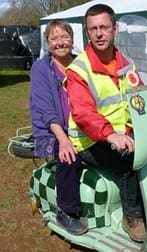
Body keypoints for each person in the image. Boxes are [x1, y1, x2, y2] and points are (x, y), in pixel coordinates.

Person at [66, 4, 145, 242]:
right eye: (93, 29)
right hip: (88, 140)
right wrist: (112, 136)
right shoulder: (79, 70)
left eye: (104, 27)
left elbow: (140, 97)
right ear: (87, 33)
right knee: (127, 161)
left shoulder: (127, 64)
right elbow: (83, 113)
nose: (99, 33)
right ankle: (133, 216)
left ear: (115, 29)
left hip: (123, 133)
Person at [29, 19, 88, 235]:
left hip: (81, 126)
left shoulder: (81, 63)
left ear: (72, 40)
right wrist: (63, 139)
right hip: (52, 130)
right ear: (48, 42)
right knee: (68, 156)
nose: (60, 42)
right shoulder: (41, 68)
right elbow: (45, 109)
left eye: (65, 37)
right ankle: (66, 211)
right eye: (54, 38)